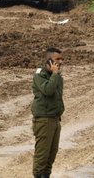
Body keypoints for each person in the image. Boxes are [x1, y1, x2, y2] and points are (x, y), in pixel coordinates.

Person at [31, 47, 65, 178]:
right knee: (42, 155)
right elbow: (48, 90)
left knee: (51, 154)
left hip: (55, 119)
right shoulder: (40, 74)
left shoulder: (56, 76)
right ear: (48, 60)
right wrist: (55, 74)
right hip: (44, 120)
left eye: (62, 59)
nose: (60, 62)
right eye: (57, 59)